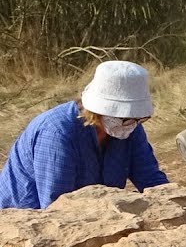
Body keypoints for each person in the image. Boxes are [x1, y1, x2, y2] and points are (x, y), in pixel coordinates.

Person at [0, 60, 168, 210]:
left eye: (139, 119)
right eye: (125, 118)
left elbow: (151, 179)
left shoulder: (130, 127)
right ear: (100, 111)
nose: (132, 124)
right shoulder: (57, 134)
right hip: (26, 219)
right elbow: (57, 207)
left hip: (92, 212)